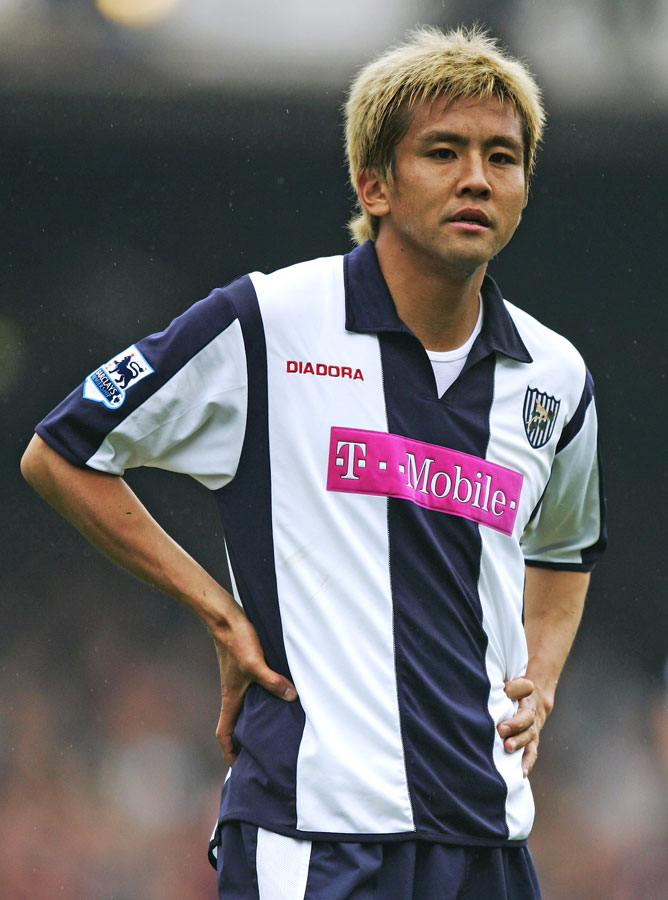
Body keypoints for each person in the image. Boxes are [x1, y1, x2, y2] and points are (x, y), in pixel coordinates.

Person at [21, 25, 606, 900]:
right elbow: (62, 453)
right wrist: (218, 612)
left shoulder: (556, 377)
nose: (477, 179)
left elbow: (565, 547)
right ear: (374, 184)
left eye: (503, 157)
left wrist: (544, 677)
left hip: (487, 840)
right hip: (315, 836)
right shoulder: (271, 322)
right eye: (443, 152)